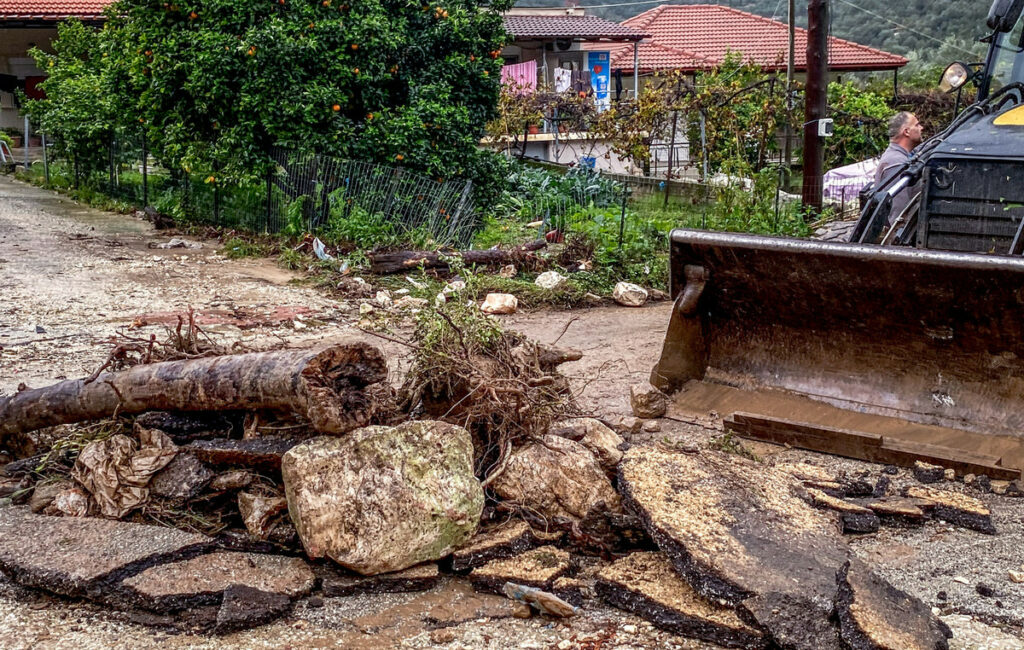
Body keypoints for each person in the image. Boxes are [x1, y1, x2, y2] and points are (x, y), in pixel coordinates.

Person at [874, 111, 924, 224]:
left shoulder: (903, 157)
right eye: (917, 125)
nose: (921, 128)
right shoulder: (896, 162)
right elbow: (898, 213)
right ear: (907, 131)